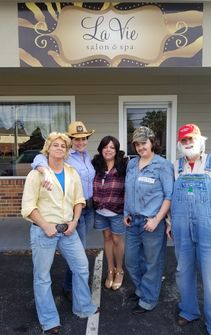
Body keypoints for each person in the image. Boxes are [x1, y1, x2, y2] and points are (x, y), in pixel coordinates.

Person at [21, 132, 97, 335]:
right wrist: (46, 226)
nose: (60, 148)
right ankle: (49, 320)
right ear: (48, 148)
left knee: (81, 267)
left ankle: (83, 307)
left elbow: (79, 199)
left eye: (63, 146)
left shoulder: (72, 172)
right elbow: (28, 207)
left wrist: (74, 221)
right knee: (43, 276)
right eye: (56, 145)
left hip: (68, 229)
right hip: (44, 231)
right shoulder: (36, 174)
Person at [167, 124, 211, 335]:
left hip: (208, 229)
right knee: (183, 272)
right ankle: (189, 311)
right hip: (181, 228)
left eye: (191, 139)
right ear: (180, 144)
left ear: (200, 140)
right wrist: (170, 223)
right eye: (184, 141)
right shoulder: (175, 166)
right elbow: (170, 197)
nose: (188, 144)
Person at [31, 121, 95, 299]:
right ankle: (69, 287)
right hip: (70, 209)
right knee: (77, 252)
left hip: (87, 207)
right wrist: (45, 171)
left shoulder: (86, 156)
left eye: (84, 138)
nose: (80, 142)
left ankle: (75, 287)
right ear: (71, 140)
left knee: (80, 250)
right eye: (76, 139)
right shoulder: (66, 154)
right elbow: (40, 158)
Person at [124, 126, 174, 314]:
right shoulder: (131, 164)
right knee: (131, 261)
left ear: (153, 142)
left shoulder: (163, 165)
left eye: (143, 143)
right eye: (136, 144)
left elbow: (169, 196)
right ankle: (142, 289)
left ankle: (148, 299)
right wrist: (126, 213)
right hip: (133, 221)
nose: (140, 147)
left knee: (152, 262)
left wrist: (156, 219)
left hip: (151, 222)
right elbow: (129, 191)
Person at [92, 136, 128, 290]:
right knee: (107, 238)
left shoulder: (124, 165)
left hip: (117, 211)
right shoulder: (95, 165)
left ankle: (119, 270)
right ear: (101, 149)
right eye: (105, 147)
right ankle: (110, 269)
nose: (108, 150)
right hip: (100, 211)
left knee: (117, 240)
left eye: (112, 147)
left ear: (116, 150)